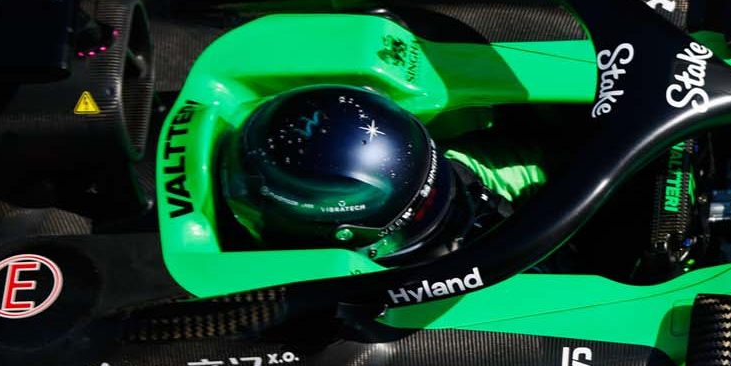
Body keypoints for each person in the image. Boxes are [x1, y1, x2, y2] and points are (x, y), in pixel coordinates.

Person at [222, 85, 541, 263]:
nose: (444, 209)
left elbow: (548, 162)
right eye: (416, 217)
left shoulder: (458, 170)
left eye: (432, 195)